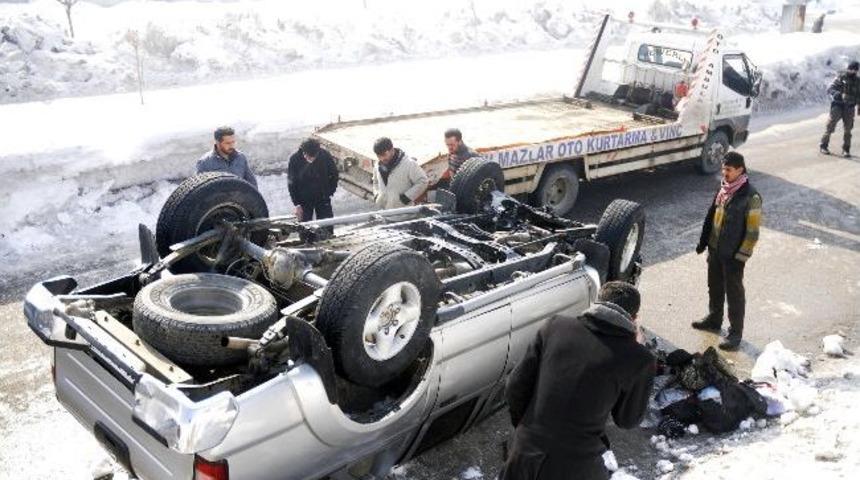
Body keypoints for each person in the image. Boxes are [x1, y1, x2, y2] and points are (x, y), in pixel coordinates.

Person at [500, 282, 656, 480]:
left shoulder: (554, 326)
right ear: (634, 319)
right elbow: (628, 420)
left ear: (596, 303)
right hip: (577, 466)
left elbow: (514, 387)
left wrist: (528, 432)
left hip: (524, 455)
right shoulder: (639, 359)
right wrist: (637, 351)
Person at [692, 152, 762, 351]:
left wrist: (741, 257)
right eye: (723, 168)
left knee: (734, 295)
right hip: (715, 251)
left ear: (740, 170)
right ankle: (714, 320)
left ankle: (735, 334)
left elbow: (753, 232)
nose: (724, 173)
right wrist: (704, 242)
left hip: (733, 257)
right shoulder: (724, 189)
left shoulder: (751, 196)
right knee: (714, 287)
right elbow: (711, 216)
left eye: (728, 170)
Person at [287, 138, 339, 222]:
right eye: (309, 157)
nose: (311, 159)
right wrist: (297, 204)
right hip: (304, 199)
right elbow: (291, 183)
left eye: (314, 157)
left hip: (322, 197)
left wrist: (329, 191)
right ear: (304, 153)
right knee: (305, 229)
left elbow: (334, 174)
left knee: (327, 225)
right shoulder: (295, 159)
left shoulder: (324, 155)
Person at [372, 137, 429, 210]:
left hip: (404, 214)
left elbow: (423, 181)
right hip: (385, 213)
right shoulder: (378, 165)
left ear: (392, 149)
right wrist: (377, 194)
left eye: (384, 155)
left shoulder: (409, 164)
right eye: (379, 156)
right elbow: (375, 182)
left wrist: (406, 197)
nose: (382, 159)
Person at [820, 60, 859, 157]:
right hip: (838, 106)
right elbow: (830, 88)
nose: (852, 71)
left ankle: (846, 149)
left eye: (854, 70)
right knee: (830, 126)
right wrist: (836, 94)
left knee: (848, 130)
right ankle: (823, 146)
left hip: (849, 107)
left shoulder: (858, 81)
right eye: (850, 69)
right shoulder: (841, 77)